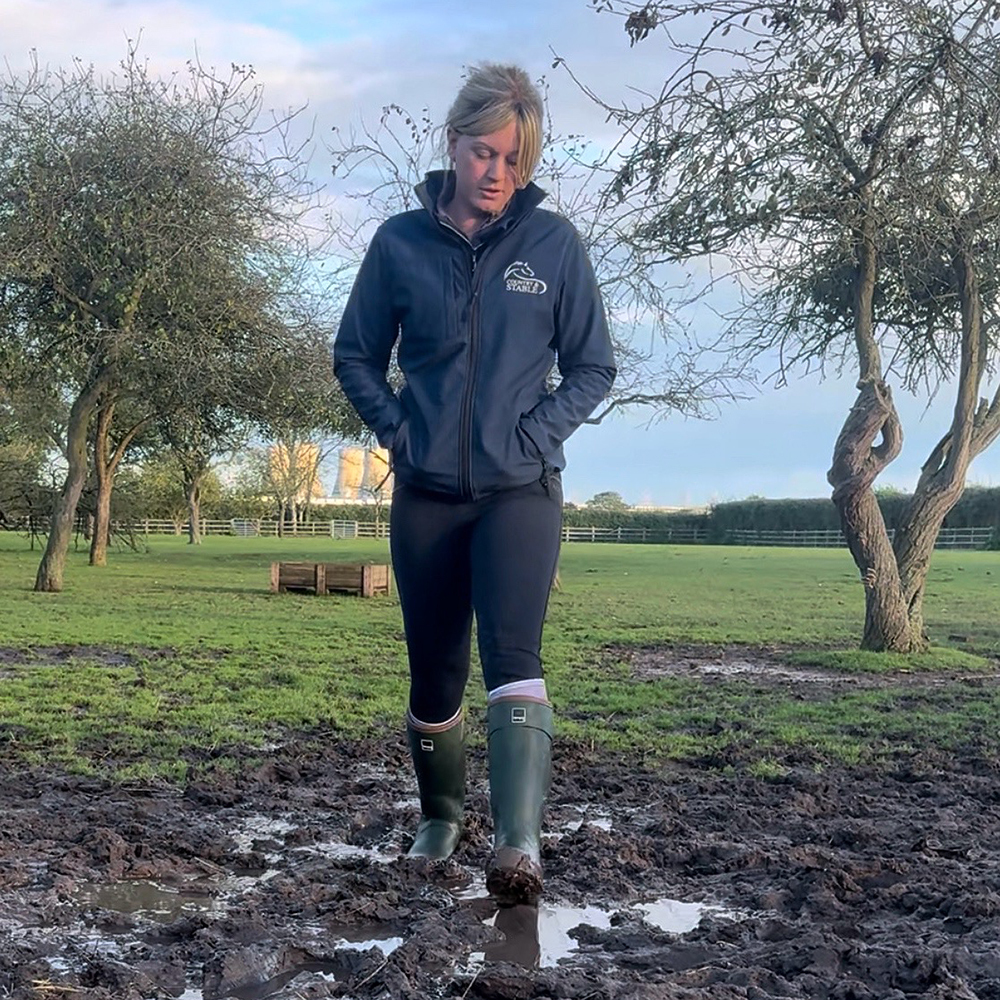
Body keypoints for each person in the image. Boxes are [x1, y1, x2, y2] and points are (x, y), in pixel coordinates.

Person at [333, 63, 616, 906]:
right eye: (484, 153)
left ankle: (519, 842)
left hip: (520, 491)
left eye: (514, 161)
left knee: (513, 656)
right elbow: (354, 354)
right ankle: (440, 819)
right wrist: (399, 430)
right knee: (433, 673)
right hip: (425, 493)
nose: (497, 174)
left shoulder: (554, 246)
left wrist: (536, 434)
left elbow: (593, 364)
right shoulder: (398, 244)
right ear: (454, 145)